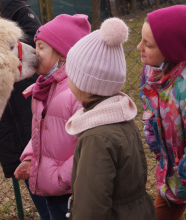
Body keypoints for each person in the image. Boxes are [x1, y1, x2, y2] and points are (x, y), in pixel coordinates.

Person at [65, 17, 156, 219]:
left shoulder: (96, 138)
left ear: (84, 84)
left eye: (70, 72)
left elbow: (91, 208)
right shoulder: (121, 118)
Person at [14, 14, 91, 220]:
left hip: (70, 190)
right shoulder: (44, 87)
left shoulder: (75, 93)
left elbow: (88, 144)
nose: (34, 52)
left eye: (41, 47)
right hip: (51, 186)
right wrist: (30, 158)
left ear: (64, 55)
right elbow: (42, 131)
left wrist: (62, 178)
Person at [0, 1, 51, 219]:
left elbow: (41, 49)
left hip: (27, 102)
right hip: (6, 111)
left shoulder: (14, 8)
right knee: (25, 169)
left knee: (42, 165)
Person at [137, 5, 186, 220]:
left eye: (147, 44)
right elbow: (150, 109)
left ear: (171, 49)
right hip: (171, 177)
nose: (138, 47)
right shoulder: (151, 73)